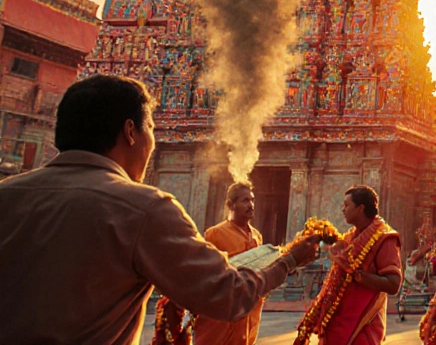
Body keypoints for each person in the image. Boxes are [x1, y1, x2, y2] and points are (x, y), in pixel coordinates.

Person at [0, 74, 319, 345]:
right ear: (130, 132)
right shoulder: (143, 208)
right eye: (151, 127)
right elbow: (227, 295)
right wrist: (290, 261)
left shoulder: (7, 195)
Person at [294, 185, 402, 345]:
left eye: (346, 205)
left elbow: (393, 285)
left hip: (362, 324)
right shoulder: (351, 237)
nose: (343, 209)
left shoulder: (385, 239)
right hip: (339, 321)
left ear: (360, 208)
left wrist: (360, 277)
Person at [193, 182, 266, 345]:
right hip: (221, 314)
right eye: (245, 200)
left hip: (249, 311)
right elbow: (204, 275)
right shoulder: (215, 234)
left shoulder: (257, 236)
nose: (251, 205)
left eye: (252, 200)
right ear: (230, 205)